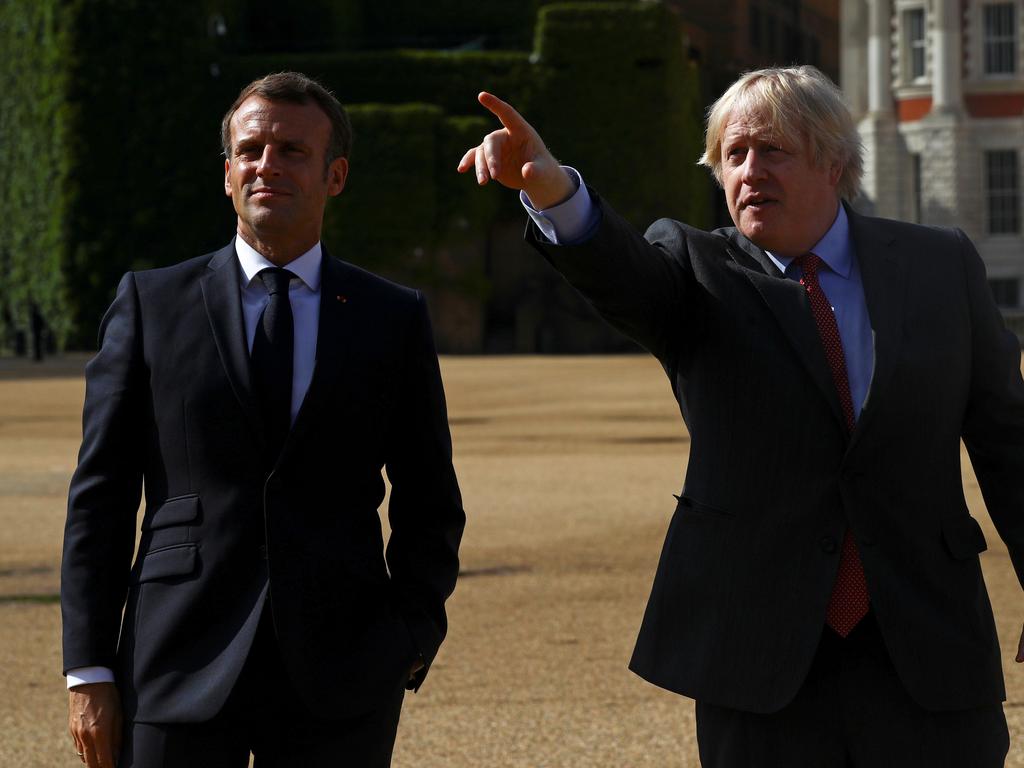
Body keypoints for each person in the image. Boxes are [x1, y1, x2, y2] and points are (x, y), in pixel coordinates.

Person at [459, 65, 1024, 766]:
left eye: (773, 150)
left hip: (928, 645)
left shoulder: (941, 266)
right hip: (760, 659)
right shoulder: (694, 269)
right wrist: (553, 190)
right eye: (733, 154)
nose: (749, 170)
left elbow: (1009, 440)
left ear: (835, 161)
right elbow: (618, 269)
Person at [63, 71, 465, 768]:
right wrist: (89, 670)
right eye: (250, 150)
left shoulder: (391, 318)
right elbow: (99, 498)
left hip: (342, 671)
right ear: (226, 175)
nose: (266, 165)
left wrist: (411, 634)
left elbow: (431, 498)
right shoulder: (150, 305)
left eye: (291, 151)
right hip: (172, 662)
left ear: (335, 175)